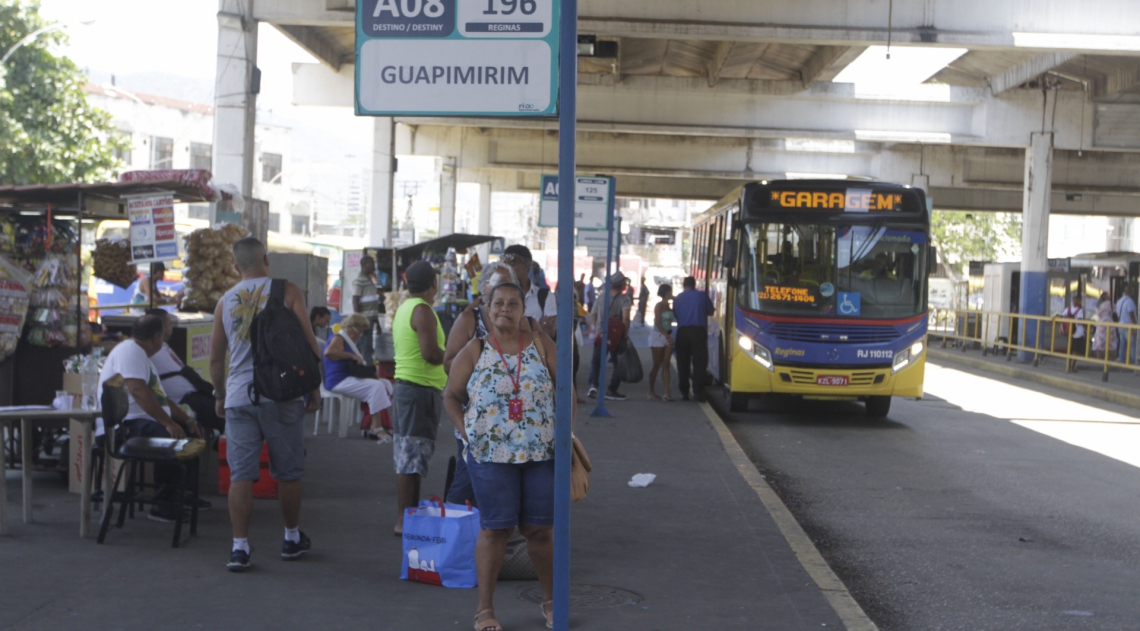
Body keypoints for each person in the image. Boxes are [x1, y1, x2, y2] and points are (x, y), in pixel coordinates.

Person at [443, 282, 569, 631]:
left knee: (540, 530)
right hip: (490, 456)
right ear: (488, 309)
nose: (505, 309)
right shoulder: (476, 349)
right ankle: (485, 610)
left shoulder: (542, 344)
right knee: (495, 529)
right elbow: (451, 395)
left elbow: (566, 389)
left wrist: (567, 434)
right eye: (498, 303)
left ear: (523, 310)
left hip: (540, 453)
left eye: (513, 304)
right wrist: (467, 432)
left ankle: (551, 602)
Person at [210, 237, 322, 572]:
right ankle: (291, 538)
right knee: (288, 472)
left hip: (239, 398)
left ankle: (239, 547)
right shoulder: (288, 291)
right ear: (266, 260)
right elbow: (308, 343)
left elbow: (216, 360)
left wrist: (219, 395)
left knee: (241, 475)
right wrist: (313, 388)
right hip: (282, 394)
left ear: (235, 266)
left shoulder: (224, 302)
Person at [99, 315, 204, 523]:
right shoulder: (130, 351)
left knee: (191, 431)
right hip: (123, 428)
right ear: (156, 338)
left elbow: (160, 398)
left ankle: (180, 493)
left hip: (140, 422)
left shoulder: (142, 355)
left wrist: (186, 420)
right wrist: (168, 423)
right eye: (163, 337)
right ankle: (162, 504)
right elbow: (138, 391)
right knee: (171, 438)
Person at [442, 262, 522, 506]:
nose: (504, 295)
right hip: (474, 419)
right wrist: (481, 365)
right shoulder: (469, 319)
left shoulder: (522, 322)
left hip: (512, 423)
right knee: (468, 482)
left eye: (509, 284)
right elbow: (448, 363)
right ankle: (454, 525)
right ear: (485, 288)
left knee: (500, 487)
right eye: (497, 284)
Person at [390, 260, 447, 535]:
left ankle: (407, 518)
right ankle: (405, 521)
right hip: (418, 390)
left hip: (409, 390)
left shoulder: (405, 307)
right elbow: (431, 354)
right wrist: (458, 357)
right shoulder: (422, 310)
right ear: (434, 283)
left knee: (409, 456)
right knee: (411, 459)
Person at [144, 308, 225, 436]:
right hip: (182, 400)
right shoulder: (149, 349)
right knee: (223, 413)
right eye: (170, 323)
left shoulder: (163, 346)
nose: (172, 326)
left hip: (195, 393)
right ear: (162, 328)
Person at [323, 313, 393, 423]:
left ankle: (378, 421)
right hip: (338, 380)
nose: (358, 335)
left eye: (361, 333)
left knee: (385, 383)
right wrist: (352, 356)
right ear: (349, 326)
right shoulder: (338, 338)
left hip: (346, 377)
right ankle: (376, 426)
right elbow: (329, 353)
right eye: (357, 331)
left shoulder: (347, 341)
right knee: (377, 386)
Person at [587, 272, 632, 401]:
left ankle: (593, 386)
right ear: (621, 285)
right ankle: (612, 390)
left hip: (601, 334)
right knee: (618, 363)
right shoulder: (625, 299)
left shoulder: (601, 298)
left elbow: (593, 314)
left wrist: (597, 328)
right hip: (617, 337)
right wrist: (625, 334)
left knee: (596, 361)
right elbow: (626, 318)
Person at [501, 245, 557, 340]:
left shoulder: (544, 296)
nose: (508, 269)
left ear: (527, 265)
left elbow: (549, 331)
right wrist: (537, 329)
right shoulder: (498, 296)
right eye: (505, 265)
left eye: (512, 264)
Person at [673, 276, 714, 402]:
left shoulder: (678, 298)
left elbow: (676, 314)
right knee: (699, 363)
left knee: (682, 363)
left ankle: (684, 392)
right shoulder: (702, 296)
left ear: (683, 285)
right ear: (694, 284)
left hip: (682, 332)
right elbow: (711, 312)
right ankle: (697, 392)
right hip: (698, 332)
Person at [647, 284, 676, 401]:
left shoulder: (670, 306)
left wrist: (675, 300)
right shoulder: (659, 306)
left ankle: (667, 393)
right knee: (657, 364)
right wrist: (667, 336)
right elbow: (658, 323)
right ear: (667, 292)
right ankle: (651, 391)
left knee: (666, 364)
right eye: (670, 292)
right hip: (658, 335)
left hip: (667, 335)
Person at [352, 255, 381, 365]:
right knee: (366, 349)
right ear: (364, 265)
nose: (374, 266)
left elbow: (373, 304)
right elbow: (355, 300)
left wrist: (377, 324)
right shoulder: (359, 281)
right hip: (365, 321)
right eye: (372, 264)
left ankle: (360, 369)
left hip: (370, 320)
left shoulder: (369, 280)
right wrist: (359, 322)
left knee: (363, 347)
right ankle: (367, 370)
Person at [1054, 295, 1087, 373]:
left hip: (1069, 332)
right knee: (1075, 351)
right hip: (1078, 333)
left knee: (1070, 350)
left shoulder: (1068, 309)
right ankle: (1072, 367)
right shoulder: (1080, 310)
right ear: (1079, 302)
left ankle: (1068, 366)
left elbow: (1062, 317)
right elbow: (1080, 320)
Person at [1092, 292, 1118, 360]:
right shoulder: (1110, 304)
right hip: (1109, 322)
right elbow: (1116, 311)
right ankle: (1108, 356)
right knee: (1109, 340)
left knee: (1099, 339)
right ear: (1106, 297)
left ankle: (1098, 356)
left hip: (1100, 323)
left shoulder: (1099, 305)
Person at [1115, 285, 1137, 364]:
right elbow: (1131, 314)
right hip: (1128, 326)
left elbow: (1117, 314)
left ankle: (1121, 358)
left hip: (1121, 325)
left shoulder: (1119, 301)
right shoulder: (1129, 301)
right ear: (1130, 292)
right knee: (1132, 344)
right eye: (1132, 291)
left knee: (1122, 343)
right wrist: (1135, 326)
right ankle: (1134, 361)